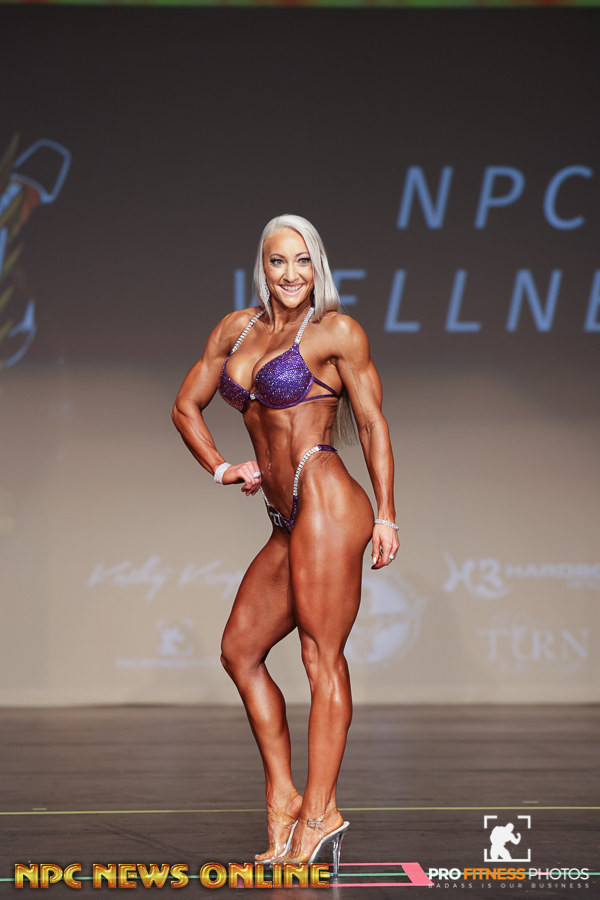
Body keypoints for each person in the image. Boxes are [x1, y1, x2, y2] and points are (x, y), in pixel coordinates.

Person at [172, 214, 399, 874]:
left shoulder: (335, 332)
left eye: (303, 261)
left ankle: (320, 813)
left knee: (319, 657)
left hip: (326, 497)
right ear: (262, 267)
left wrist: (387, 514)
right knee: (239, 651)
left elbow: (372, 423)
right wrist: (222, 467)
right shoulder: (235, 329)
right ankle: (284, 796)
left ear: (317, 266)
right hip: (283, 516)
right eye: (279, 261)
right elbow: (186, 406)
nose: (292, 274)